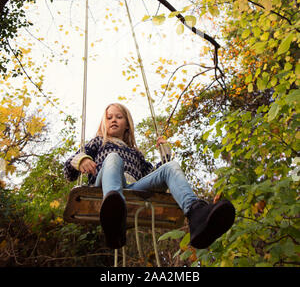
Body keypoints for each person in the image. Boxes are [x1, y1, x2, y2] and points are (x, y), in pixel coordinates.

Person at [64, 103, 235, 250]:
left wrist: (166, 155)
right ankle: (114, 213)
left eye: (119, 117)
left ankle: (196, 215)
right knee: (113, 157)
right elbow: (68, 170)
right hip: (105, 185)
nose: (113, 120)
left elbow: (154, 176)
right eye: (109, 117)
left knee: (171, 167)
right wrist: (82, 160)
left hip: (132, 187)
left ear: (127, 125)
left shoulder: (136, 153)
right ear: (103, 123)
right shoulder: (98, 142)